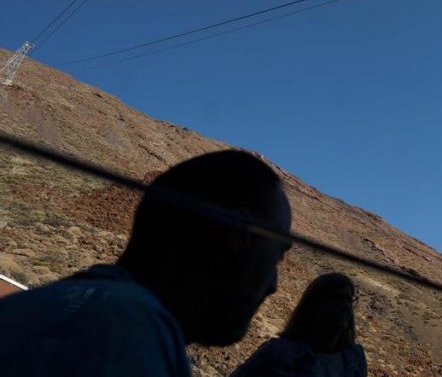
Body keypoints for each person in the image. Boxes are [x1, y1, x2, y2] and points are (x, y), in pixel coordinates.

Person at [0, 150, 293, 377]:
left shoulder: (46, 307)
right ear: (238, 235)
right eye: (276, 255)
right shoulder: (129, 342)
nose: (273, 285)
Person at [230, 272, 367, 377]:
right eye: (336, 298)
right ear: (314, 305)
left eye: (348, 299)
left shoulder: (354, 360)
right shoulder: (279, 352)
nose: (345, 306)